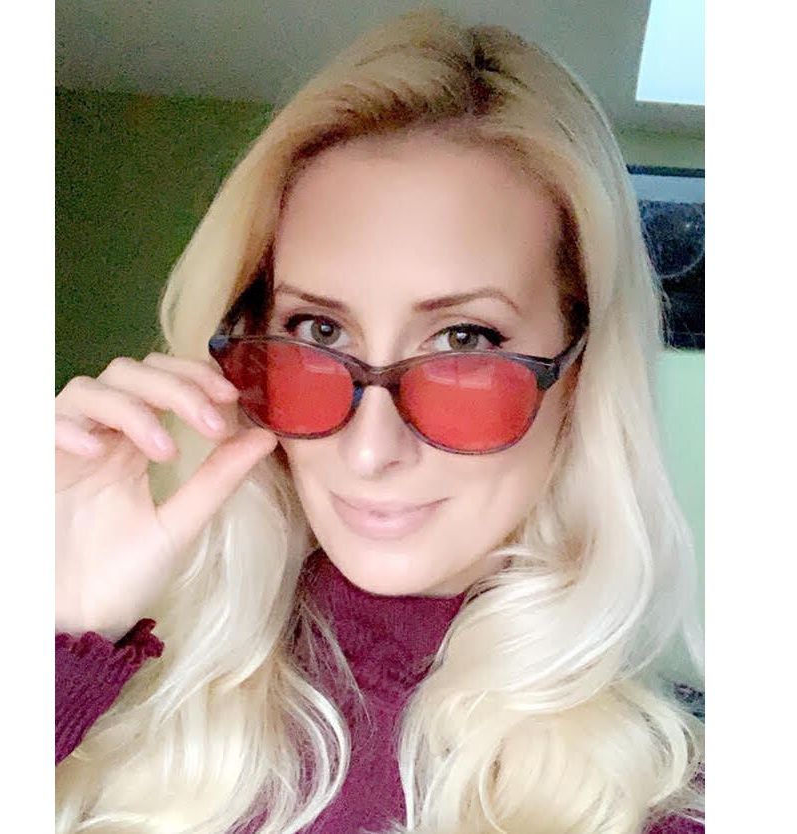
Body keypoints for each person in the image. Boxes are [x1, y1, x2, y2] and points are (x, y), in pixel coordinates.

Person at [55, 8, 704, 834]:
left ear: (581, 374)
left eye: (465, 340)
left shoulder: (669, 806)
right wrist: (53, 635)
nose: (369, 449)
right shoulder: (106, 692)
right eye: (319, 331)